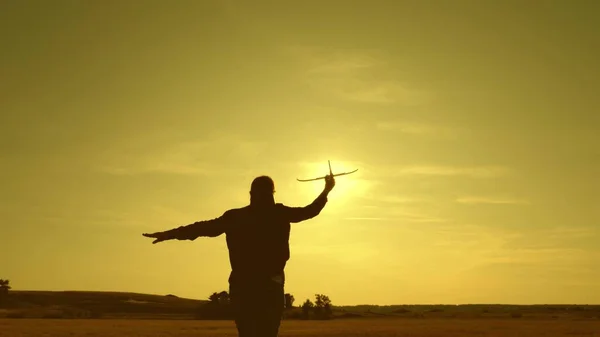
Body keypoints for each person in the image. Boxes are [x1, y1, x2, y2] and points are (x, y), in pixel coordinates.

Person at [143, 174, 336, 337]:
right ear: (272, 193)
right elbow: (310, 211)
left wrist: (170, 234)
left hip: (246, 287)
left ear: (251, 194)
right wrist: (327, 190)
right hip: (266, 286)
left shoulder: (236, 217)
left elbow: (201, 228)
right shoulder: (278, 213)